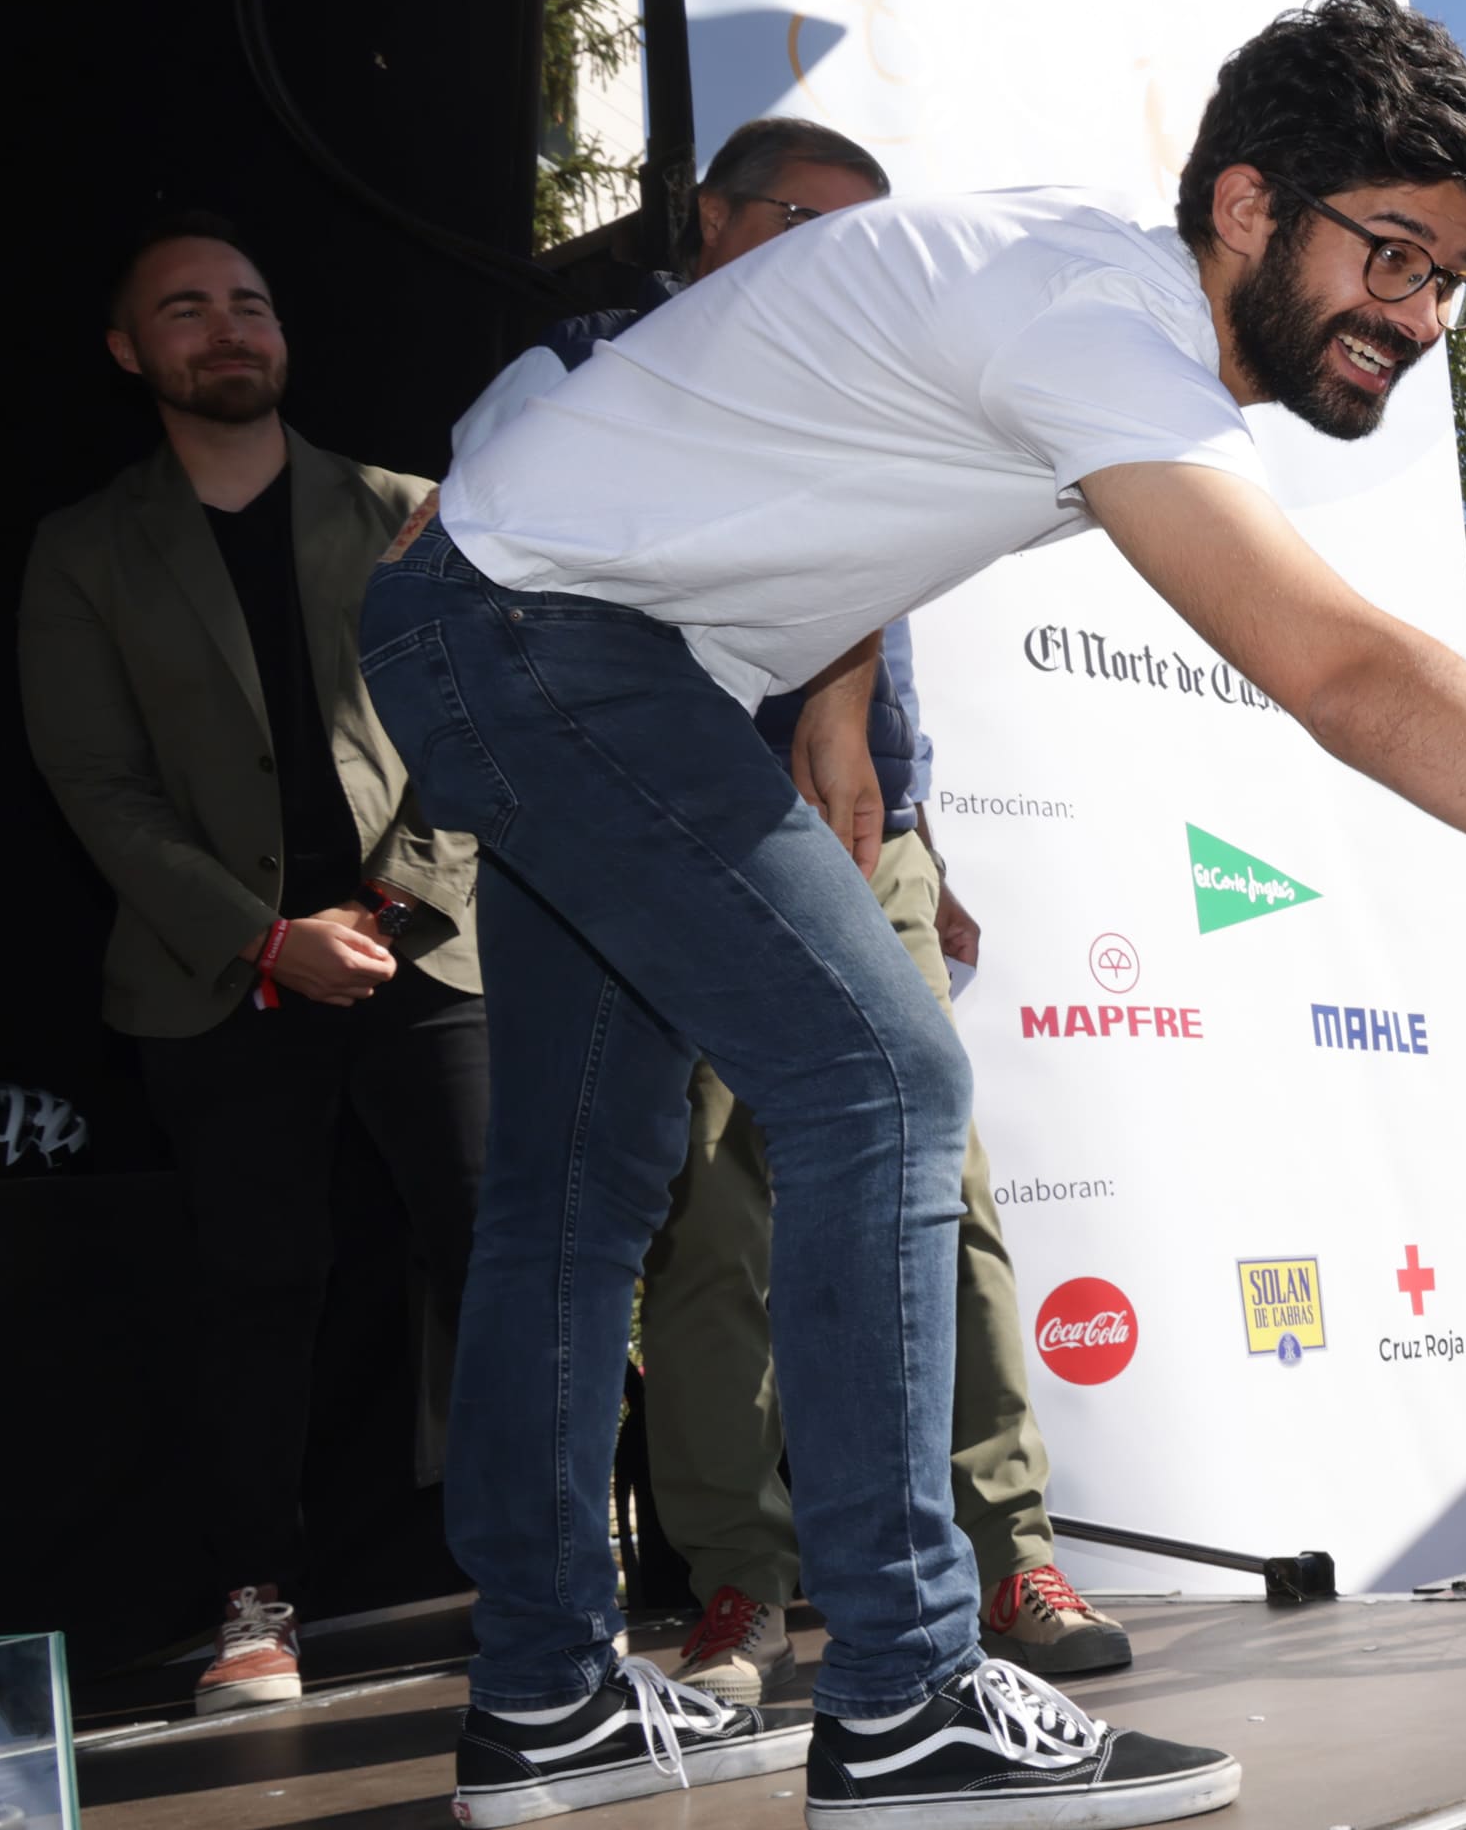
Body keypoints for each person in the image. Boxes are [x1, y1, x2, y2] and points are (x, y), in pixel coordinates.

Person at [369, 0, 1466, 1830]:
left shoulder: (1069, 303)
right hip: (550, 641)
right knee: (880, 1079)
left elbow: (806, 450)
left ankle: (541, 1694)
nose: (1419, 320)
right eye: (1393, 255)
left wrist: (839, 700)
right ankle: (906, 1691)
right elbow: (1343, 666)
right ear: (1251, 207)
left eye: (1453, 281)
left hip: (555, 637)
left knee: (583, 1176)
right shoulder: (1107, 320)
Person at [452, 118, 1125, 1699]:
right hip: (654, 827)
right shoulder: (585, 363)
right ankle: (741, 1588)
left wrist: (925, 831)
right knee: (702, 1220)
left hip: (856, 829)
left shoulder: (882, 385)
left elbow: (872, 622)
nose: (841, 262)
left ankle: (1004, 1545)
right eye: (804, 223)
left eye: (866, 237)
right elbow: (489, 561)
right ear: (708, 219)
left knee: (936, 1178)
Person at [21, 217, 487, 1716]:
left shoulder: (412, 508)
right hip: (217, 973)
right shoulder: (86, 546)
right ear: (129, 350)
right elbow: (97, 787)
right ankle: (254, 1598)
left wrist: (387, 918)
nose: (227, 329)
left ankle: (545, 1570)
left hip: (426, 949)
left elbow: (474, 728)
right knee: (257, 1289)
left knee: (503, 1253)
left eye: (249, 303)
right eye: (184, 308)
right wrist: (266, 934)